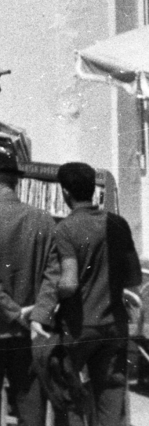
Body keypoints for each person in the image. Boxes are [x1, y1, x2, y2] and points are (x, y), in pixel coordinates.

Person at [0, 149, 61, 426]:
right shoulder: (43, 219)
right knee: (30, 401)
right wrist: (37, 313)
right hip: (28, 331)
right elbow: (53, 274)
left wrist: (14, 312)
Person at [48, 161, 141, 426]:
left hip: (80, 327)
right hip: (114, 325)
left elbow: (69, 282)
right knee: (111, 397)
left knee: (70, 395)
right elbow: (134, 276)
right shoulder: (118, 224)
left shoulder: (65, 229)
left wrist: (48, 295)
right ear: (93, 190)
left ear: (65, 192)